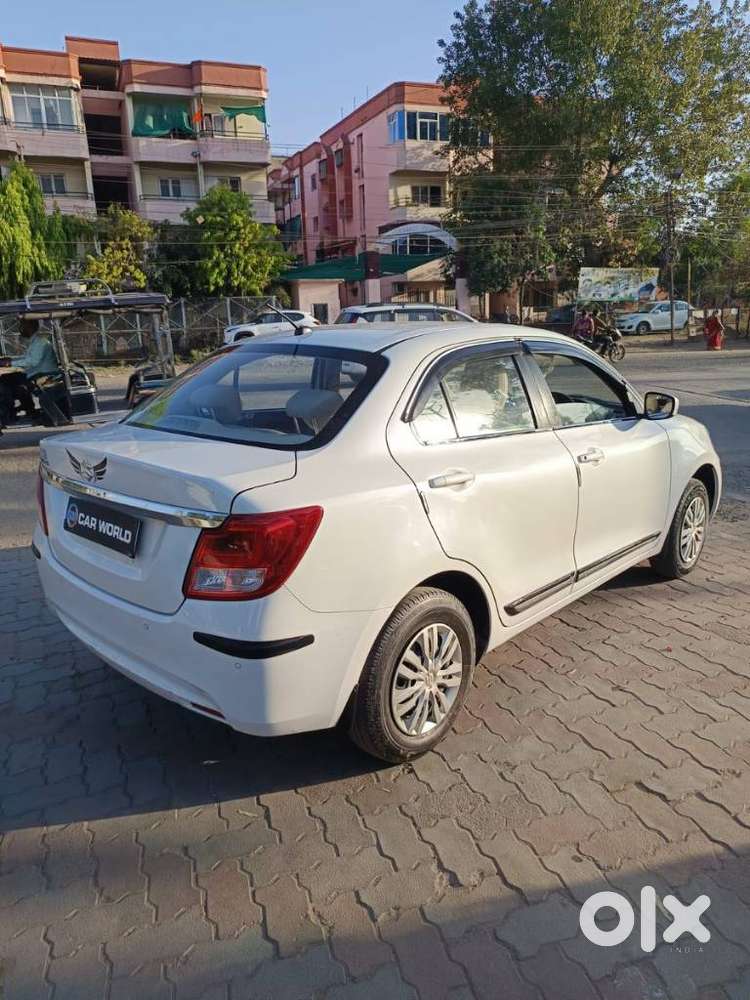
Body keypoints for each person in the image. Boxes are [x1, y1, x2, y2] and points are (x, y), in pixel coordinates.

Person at [0, 318, 59, 425]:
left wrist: (9, 363)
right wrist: (10, 360)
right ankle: (27, 410)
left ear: (30, 327)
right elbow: (28, 357)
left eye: (23, 325)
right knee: (7, 379)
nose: (20, 329)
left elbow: (32, 361)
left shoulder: (40, 342)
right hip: (35, 373)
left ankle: (9, 414)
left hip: (42, 375)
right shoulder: (36, 341)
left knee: (6, 383)